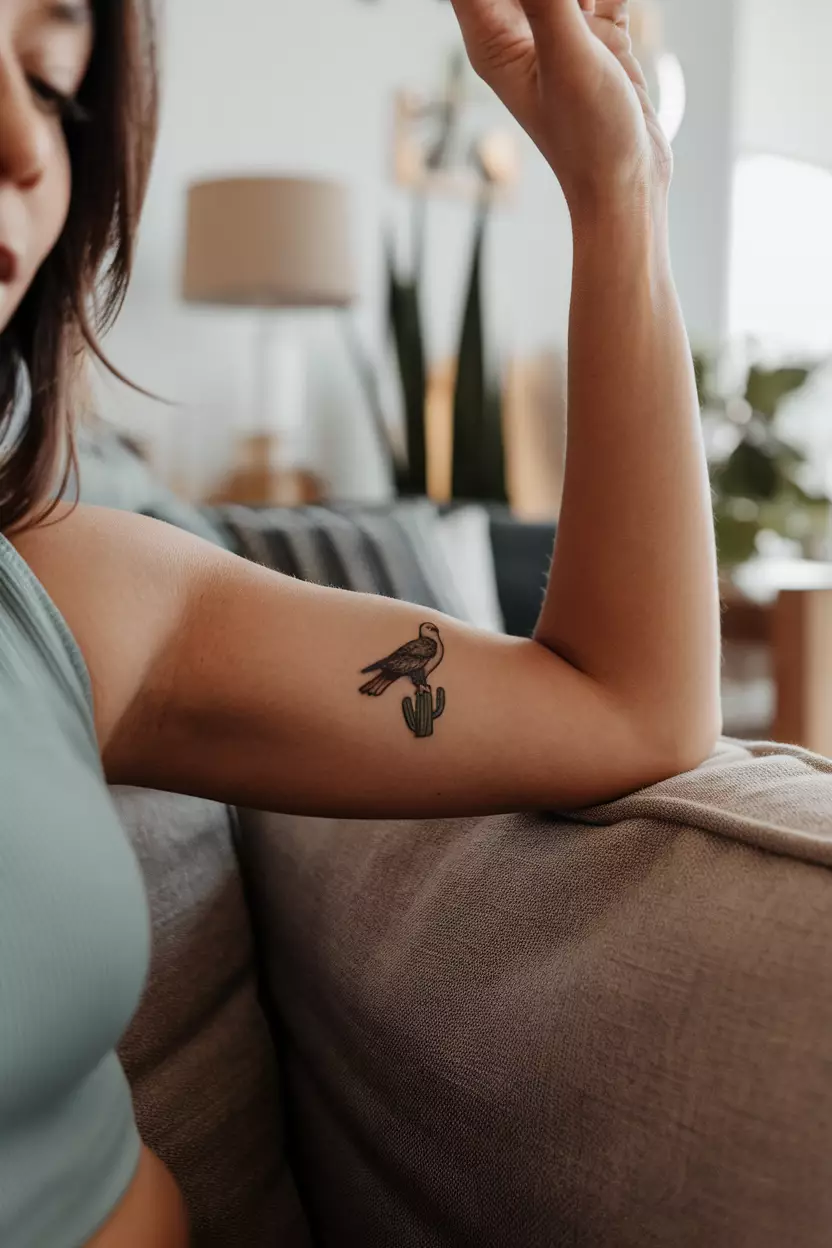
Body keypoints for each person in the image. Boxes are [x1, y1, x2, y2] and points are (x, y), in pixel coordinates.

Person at [0, 0, 721, 1243]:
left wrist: (618, 189)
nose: (24, 143)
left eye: (51, 78)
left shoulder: (66, 592)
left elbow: (629, 704)